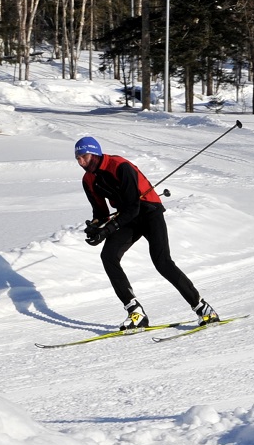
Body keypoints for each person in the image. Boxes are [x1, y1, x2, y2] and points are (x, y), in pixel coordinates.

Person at [75, 135, 219, 330]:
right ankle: (135, 311)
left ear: (95, 153)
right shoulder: (88, 180)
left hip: (149, 212)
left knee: (162, 262)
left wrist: (109, 229)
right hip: (127, 219)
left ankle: (203, 309)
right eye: (78, 158)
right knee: (108, 256)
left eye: (84, 156)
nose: (81, 162)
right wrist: (95, 229)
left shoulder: (119, 166)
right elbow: (100, 213)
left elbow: (133, 208)